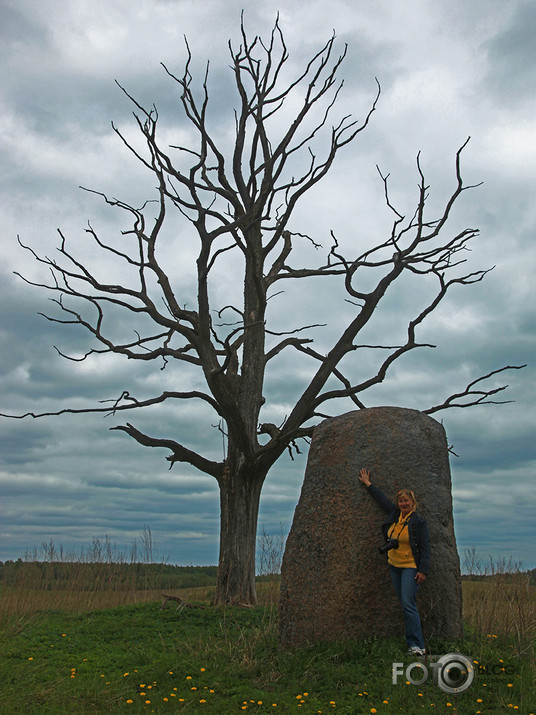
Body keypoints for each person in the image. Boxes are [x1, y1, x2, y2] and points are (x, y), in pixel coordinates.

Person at [359, 467, 430, 656]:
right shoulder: (395, 515)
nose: (403, 503)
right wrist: (368, 484)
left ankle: (416, 645)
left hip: (410, 568)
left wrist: (423, 571)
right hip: (394, 567)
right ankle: (414, 643)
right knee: (405, 604)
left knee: (408, 604)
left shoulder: (418, 521)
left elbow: (425, 547)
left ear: (412, 502)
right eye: (401, 501)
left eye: (406, 500)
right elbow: (382, 499)